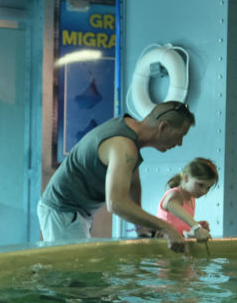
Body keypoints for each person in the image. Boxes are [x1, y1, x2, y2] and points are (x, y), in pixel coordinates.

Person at [37, 100, 195, 249]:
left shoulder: (130, 131)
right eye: (180, 135)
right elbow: (116, 204)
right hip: (63, 210)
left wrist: (140, 226)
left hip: (75, 212)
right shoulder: (124, 145)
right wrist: (166, 227)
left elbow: (133, 184)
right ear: (163, 127)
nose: (179, 143)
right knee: (76, 269)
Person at [157, 157, 218, 241]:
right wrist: (196, 227)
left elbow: (177, 223)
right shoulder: (175, 194)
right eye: (200, 185)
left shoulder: (191, 199)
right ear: (186, 177)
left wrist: (194, 226)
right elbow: (172, 206)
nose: (204, 191)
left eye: (208, 187)